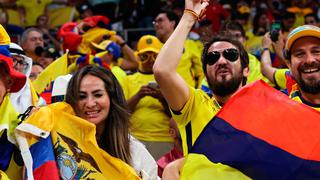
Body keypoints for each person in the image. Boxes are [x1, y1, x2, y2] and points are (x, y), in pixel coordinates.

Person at [122, 35, 172, 161]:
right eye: (145, 56)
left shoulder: (168, 79)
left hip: (163, 138)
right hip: (135, 138)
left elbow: (176, 114)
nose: (150, 60)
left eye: (154, 56)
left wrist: (161, 98)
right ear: (138, 56)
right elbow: (122, 112)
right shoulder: (128, 80)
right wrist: (139, 96)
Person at [261, 25, 320, 109]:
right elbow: (266, 70)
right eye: (300, 54)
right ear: (289, 64)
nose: (309, 60)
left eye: (316, 51)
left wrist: (265, 48)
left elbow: (266, 68)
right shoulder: (278, 108)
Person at [153, 10, 204, 88]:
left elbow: (201, 72)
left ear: (172, 23)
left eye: (160, 20)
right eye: (155, 22)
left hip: (187, 95)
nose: (156, 24)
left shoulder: (189, 44)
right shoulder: (151, 47)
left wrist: (201, 91)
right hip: (159, 96)